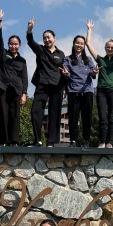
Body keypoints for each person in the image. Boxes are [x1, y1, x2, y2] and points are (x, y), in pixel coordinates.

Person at [86, 20, 113, 148]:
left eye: (112, 47)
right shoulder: (100, 59)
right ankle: (102, 141)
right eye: (108, 47)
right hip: (101, 91)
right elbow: (88, 44)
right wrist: (90, 29)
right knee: (102, 116)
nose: (110, 49)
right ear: (105, 48)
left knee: (112, 117)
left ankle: (110, 142)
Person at [26, 18, 65, 147]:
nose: (46, 40)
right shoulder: (40, 50)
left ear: (54, 38)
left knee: (54, 113)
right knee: (35, 111)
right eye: (44, 38)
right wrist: (30, 29)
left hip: (57, 85)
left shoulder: (61, 54)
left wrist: (64, 87)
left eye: (49, 37)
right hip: (42, 83)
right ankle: (37, 140)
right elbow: (30, 42)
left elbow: (63, 71)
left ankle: (51, 142)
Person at [0, 9, 28, 146]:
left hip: (16, 90)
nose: (13, 46)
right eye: (11, 43)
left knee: (15, 115)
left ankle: (14, 141)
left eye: (16, 44)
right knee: (3, 114)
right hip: (2, 87)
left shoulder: (22, 61)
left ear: (19, 45)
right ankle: (3, 140)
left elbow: (24, 78)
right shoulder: (3, 54)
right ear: (8, 45)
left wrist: (24, 94)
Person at [62, 34, 98, 147]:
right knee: (73, 117)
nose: (79, 45)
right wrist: (66, 74)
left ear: (84, 46)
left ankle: (86, 140)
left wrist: (94, 72)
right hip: (73, 91)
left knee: (87, 117)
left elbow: (92, 74)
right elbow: (66, 73)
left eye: (81, 43)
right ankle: (73, 140)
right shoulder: (68, 59)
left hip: (87, 91)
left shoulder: (88, 60)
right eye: (77, 43)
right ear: (73, 44)